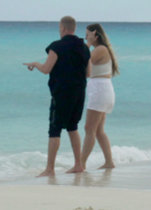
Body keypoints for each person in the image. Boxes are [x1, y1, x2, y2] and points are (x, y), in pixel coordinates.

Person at [25, 16, 91, 176]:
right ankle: (78, 165)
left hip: (62, 93)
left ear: (62, 28)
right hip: (80, 92)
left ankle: (50, 169)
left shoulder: (57, 46)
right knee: (72, 126)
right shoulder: (84, 47)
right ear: (74, 28)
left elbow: (46, 68)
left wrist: (35, 64)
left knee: (55, 128)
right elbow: (88, 73)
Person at [79, 23, 118, 171]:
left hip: (100, 90)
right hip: (102, 89)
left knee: (89, 128)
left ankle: (81, 164)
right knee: (99, 130)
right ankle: (109, 161)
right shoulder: (101, 49)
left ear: (96, 34)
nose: (85, 37)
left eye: (87, 34)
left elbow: (83, 59)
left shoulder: (100, 49)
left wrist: (87, 44)